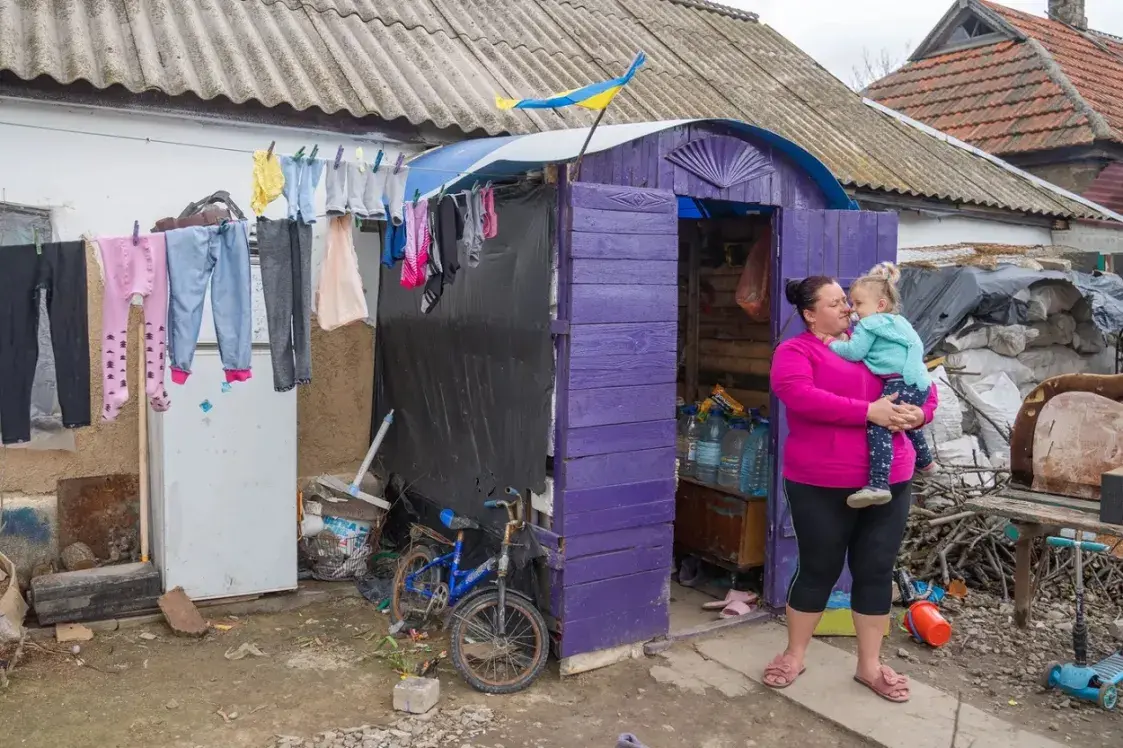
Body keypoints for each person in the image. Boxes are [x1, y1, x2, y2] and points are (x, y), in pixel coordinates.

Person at [762, 275, 937, 704]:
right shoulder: (795, 351)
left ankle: (869, 666)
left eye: (847, 301)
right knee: (819, 568)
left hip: (891, 477)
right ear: (809, 313)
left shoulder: (876, 338)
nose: (847, 309)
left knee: (876, 569)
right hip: (820, 480)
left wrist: (918, 415)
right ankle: (794, 654)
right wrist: (869, 412)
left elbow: (922, 386)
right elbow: (800, 397)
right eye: (836, 303)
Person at [828, 262, 934, 509]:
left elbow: (855, 352)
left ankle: (878, 484)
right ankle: (926, 461)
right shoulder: (898, 322)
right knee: (905, 420)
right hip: (919, 382)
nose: (853, 310)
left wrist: (831, 343)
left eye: (858, 304)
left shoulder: (868, 324)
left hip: (900, 382)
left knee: (881, 425)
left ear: (880, 305)